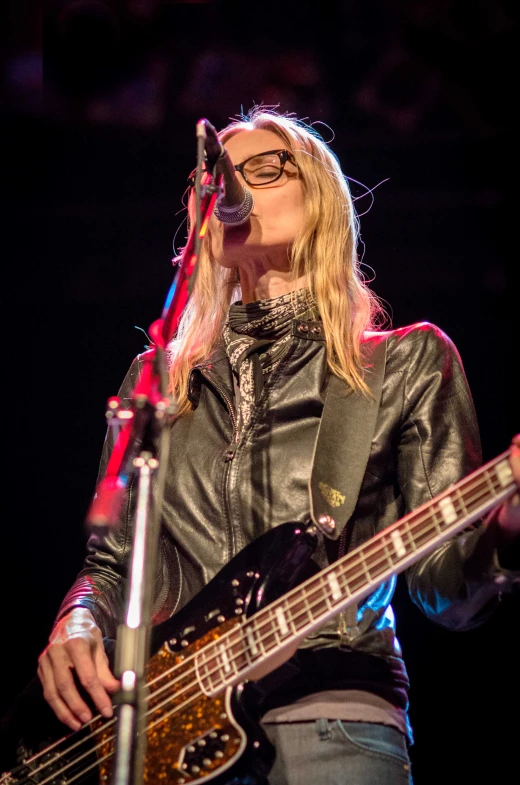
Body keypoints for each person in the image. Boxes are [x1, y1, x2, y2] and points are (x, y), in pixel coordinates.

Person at [35, 108, 519, 785]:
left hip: (333, 720)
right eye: (218, 174)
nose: (233, 182)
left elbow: (449, 590)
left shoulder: (404, 363)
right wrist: (78, 618)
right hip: (170, 740)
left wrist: (507, 527)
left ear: (318, 198)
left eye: (266, 167)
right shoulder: (159, 383)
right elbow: (112, 563)